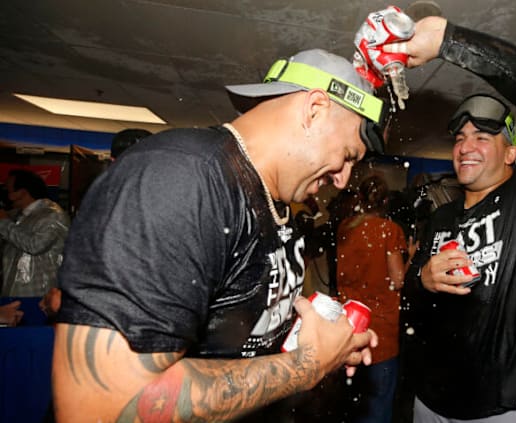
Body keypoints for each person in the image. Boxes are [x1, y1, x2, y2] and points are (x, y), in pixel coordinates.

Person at [52, 48, 387, 422]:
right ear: (314, 110)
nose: (342, 179)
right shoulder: (181, 179)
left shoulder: (276, 202)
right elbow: (101, 407)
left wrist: (323, 345)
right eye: (348, 154)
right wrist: (305, 366)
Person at [389, 16, 516, 422]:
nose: (465, 146)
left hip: (506, 403)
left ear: (512, 153)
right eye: (460, 138)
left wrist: (450, 42)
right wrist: (420, 279)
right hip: (432, 398)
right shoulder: (441, 217)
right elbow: (410, 296)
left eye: (482, 137)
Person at [336, 175, 407, 423]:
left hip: (350, 326)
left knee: (353, 404)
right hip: (381, 332)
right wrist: (413, 257)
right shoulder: (390, 230)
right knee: (377, 405)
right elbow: (398, 280)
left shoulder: (346, 228)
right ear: (385, 200)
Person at [0, 169, 70, 297]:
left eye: (8, 190)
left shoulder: (52, 215)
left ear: (22, 192)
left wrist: (4, 223)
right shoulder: (19, 216)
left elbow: (35, 245)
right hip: (13, 291)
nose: (6, 195)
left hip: (39, 294)